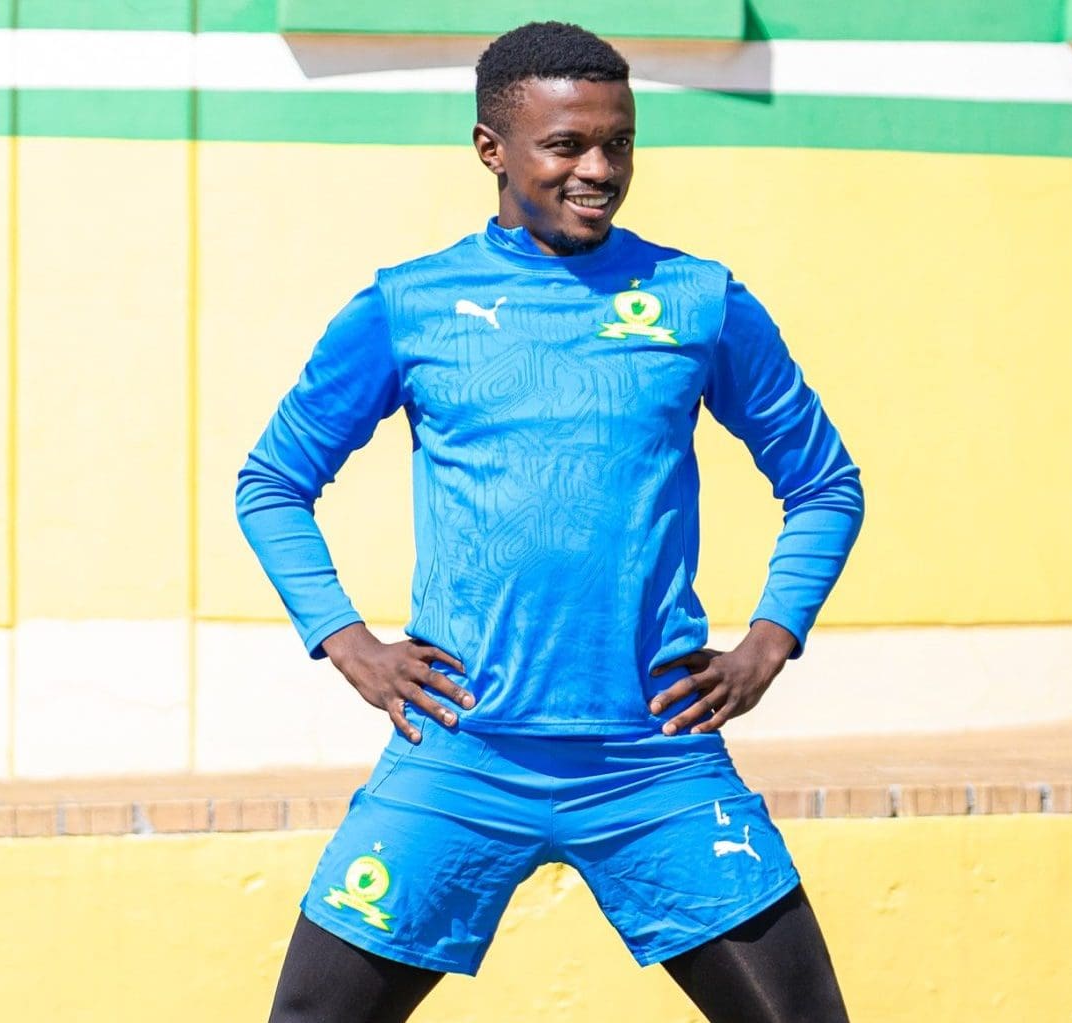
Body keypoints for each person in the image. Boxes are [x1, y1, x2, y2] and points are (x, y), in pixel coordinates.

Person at [236, 21, 863, 1023]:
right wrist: (346, 643)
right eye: (566, 145)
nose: (599, 169)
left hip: (656, 758)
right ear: (492, 148)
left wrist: (768, 642)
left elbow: (825, 483)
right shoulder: (410, 305)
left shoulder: (697, 299)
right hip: (460, 754)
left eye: (618, 143)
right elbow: (271, 482)